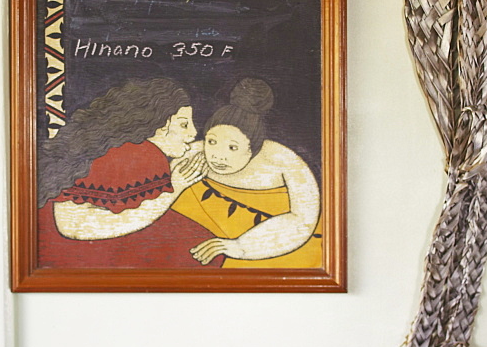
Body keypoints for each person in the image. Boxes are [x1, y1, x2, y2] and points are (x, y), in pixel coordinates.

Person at [37, 77, 215, 269]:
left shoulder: (112, 149)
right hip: (77, 257)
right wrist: (176, 186)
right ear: (155, 123)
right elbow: (74, 227)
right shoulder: (143, 156)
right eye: (183, 124)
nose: (193, 133)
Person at [171, 78, 322, 268]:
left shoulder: (283, 161)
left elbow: (303, 220)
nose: (219, 156)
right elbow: (160, 193)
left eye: (232, 147)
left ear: (253, 149)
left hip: (279, 247)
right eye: (212, 142)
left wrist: (240, 247)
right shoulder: (192, 154)